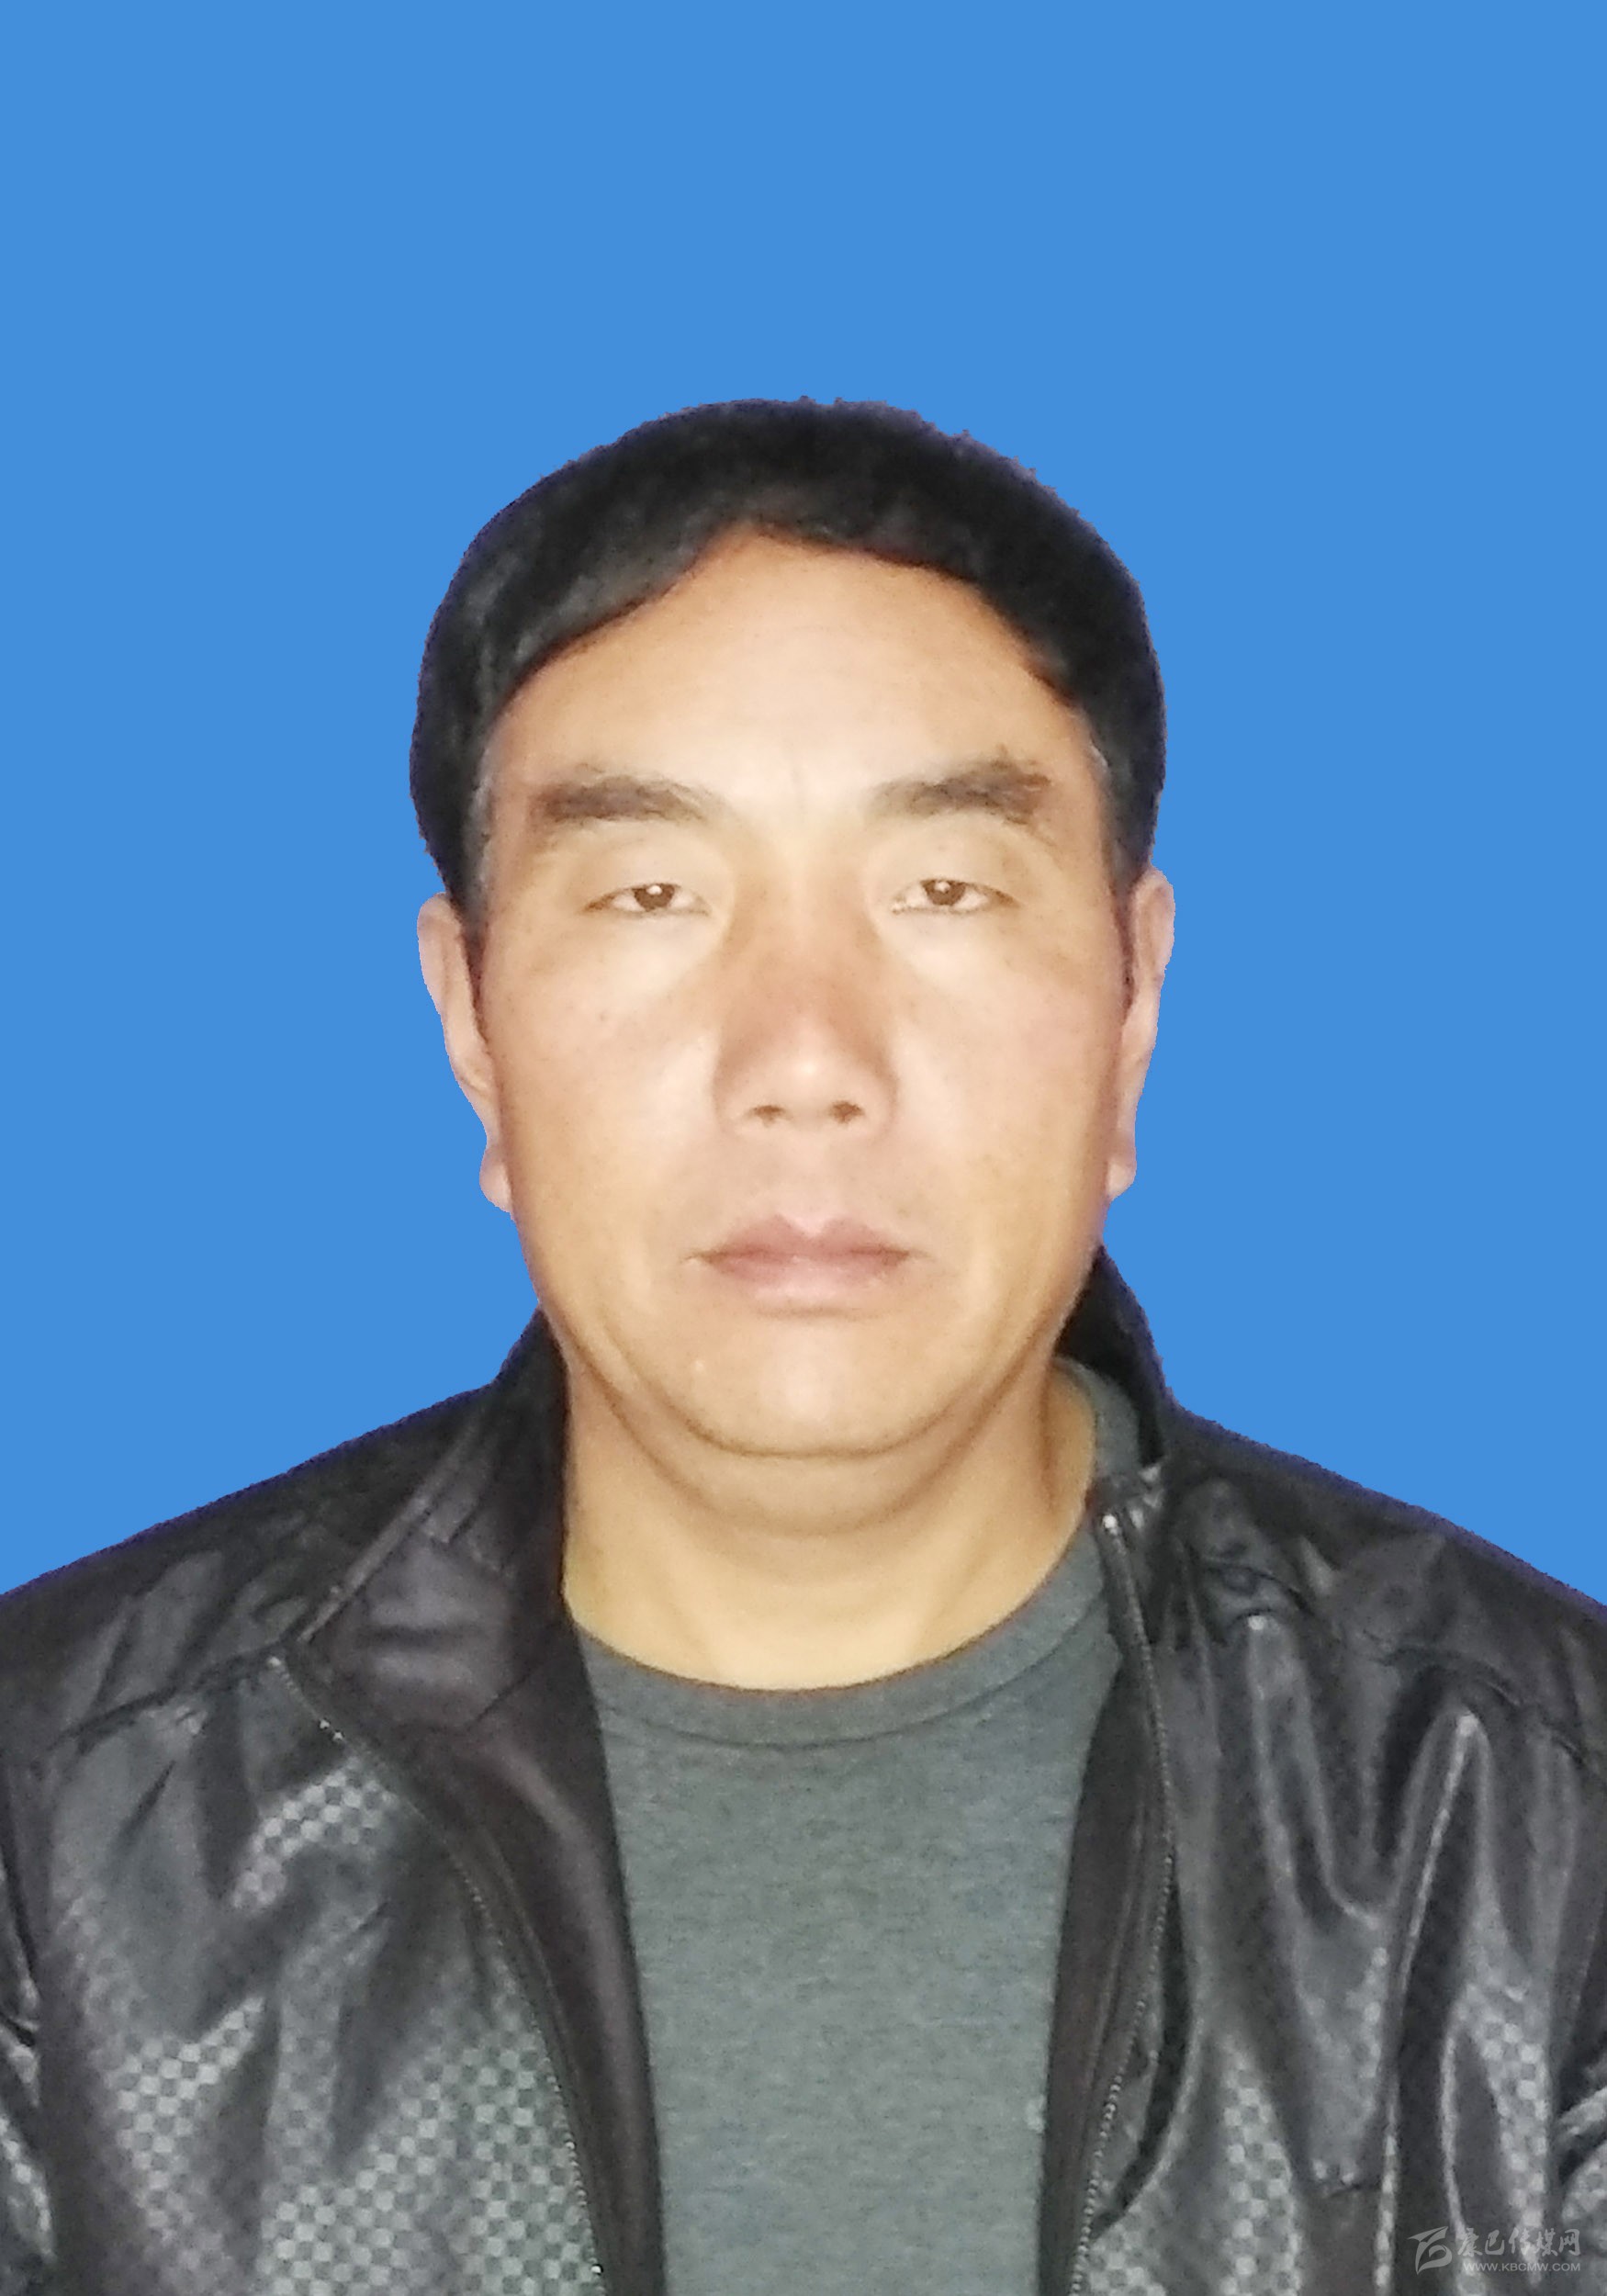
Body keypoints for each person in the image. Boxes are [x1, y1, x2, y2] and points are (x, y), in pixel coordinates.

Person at [0, 400, 1602, 2296]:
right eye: (650, 894)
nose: (806, 1061)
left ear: (1131, 1006)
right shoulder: (62, 1829)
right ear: (471, 1024)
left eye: (942, 890)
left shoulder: (1530, 1826)